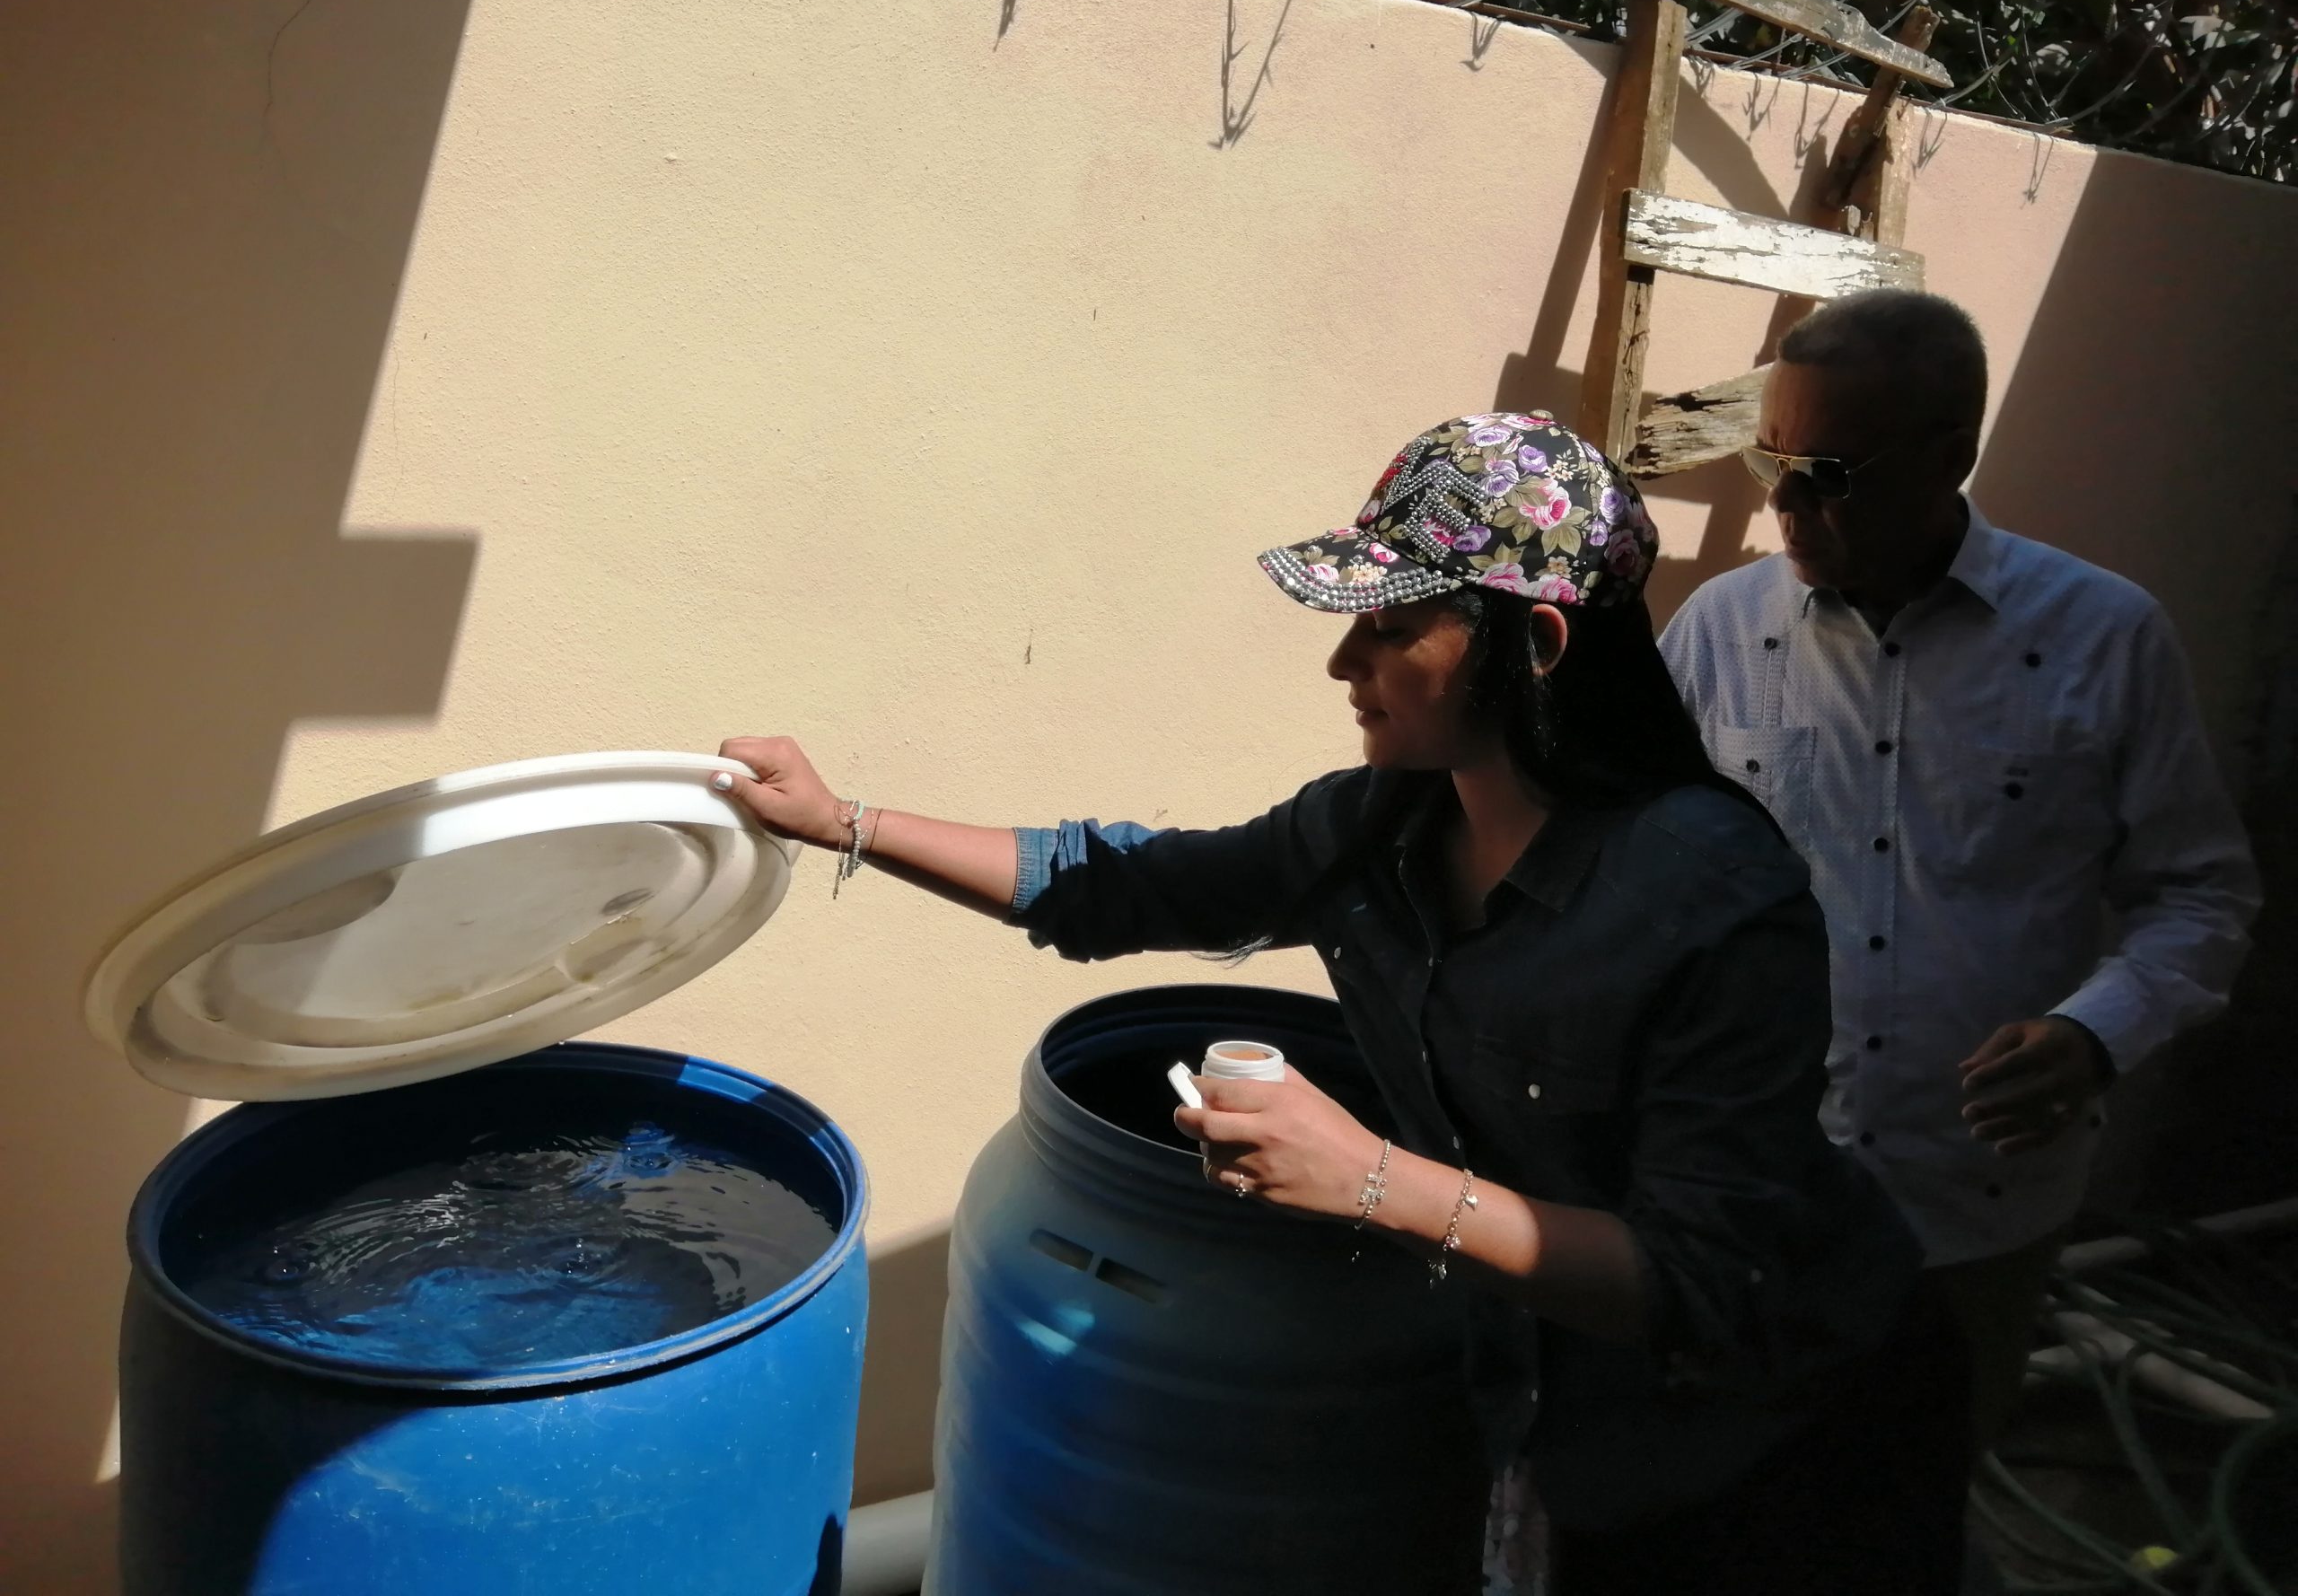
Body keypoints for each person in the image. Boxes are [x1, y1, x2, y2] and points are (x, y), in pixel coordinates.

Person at [718, 411, 1968, 1595]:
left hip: (1788, 1438)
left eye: (1390, 625)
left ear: (1536, 645)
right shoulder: (1384, 828)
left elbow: (1706, 1280)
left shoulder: (1715, 900)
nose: (1341, 662)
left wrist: (1371, 1179)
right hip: (1566, 1422)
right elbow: (1125, 883)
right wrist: (842, 821)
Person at [1660, 290, 2261, 1451]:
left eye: (1827, 474)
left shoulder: (2103, 638)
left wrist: (2095, 1033)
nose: (1784, 505)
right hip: (1752, 1193)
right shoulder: (1718, 632)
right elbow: (1646, 875)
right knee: (1734, 1496)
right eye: (1768, 463)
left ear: (1950, 456)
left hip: (1975, 1210)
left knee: (1924, 1495)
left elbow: (2200, 892)